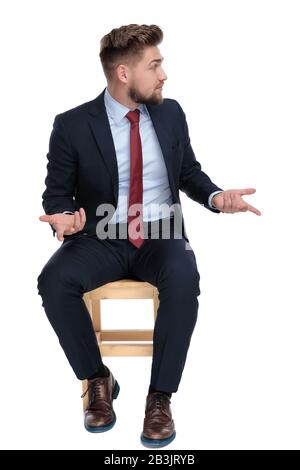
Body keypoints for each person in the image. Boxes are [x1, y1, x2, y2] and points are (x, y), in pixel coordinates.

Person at [37, 23, 261, 448]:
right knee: (53, 281)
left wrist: (217, 197)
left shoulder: (170, 112)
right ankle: (96, 377)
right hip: (99, 236)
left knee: (183, 280)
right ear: (124, 74)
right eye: (154, 65)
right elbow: (56, 192)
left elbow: (189, 173)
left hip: (161, 234)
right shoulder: (72, 125)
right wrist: (65, 216)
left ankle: (160, 398)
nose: (164, 74)